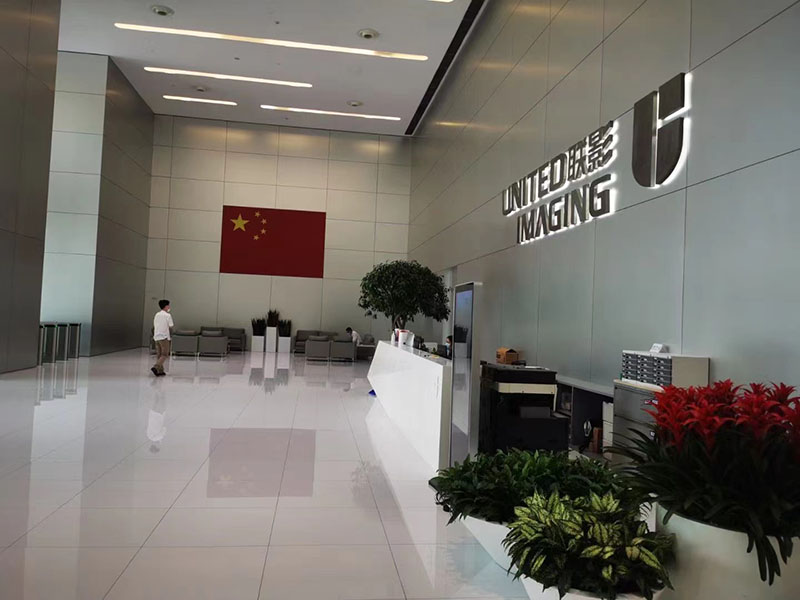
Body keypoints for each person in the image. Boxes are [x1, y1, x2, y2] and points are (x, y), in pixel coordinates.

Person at [151, 299, 174, 377]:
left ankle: (160, 371)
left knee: (159, 354)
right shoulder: (168, 315)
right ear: (166, 306)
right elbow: (171, 325)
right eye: (168, 305)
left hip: (156, 337)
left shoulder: (157, 314)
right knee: (164, 354)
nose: (169, 307)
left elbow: (154, 325)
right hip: (164, 337)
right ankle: (156, 367)